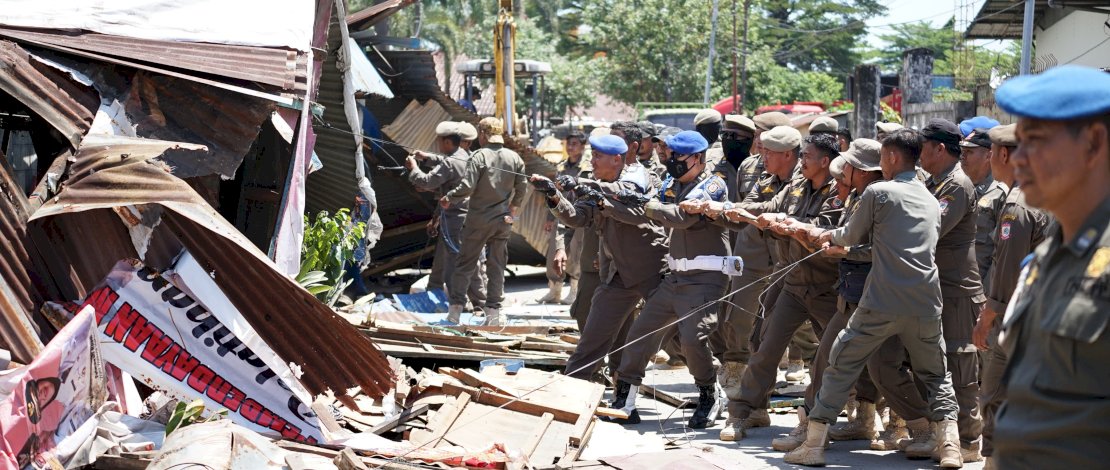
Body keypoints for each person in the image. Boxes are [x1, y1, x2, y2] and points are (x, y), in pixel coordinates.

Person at [787, 128, 962, 468]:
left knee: (840, 365)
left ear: (893, 158)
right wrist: (851, 246)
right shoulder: (930, 198)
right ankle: (950, 448)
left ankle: (812, 446)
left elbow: (850, 234)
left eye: (883, 156)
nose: (881, 163)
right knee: (937, 375)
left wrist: (827, 237)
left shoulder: (879, 192)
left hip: (881, 300)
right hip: (926, 302)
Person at [990, 65, 1110, 469]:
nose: (1017, 160)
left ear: (1094, 143)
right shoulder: (1049, 255)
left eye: (1035, 142)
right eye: (1017, 143)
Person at [692, 128, 842, 441]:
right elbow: (768, 206)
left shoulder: (839, 190)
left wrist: (791, 227)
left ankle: (867, 413)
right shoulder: (797, 184)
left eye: (807, 156)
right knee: (763, 346)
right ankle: (745, 412)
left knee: (844, 350)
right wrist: (728, 210)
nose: (802, 161)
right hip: (791, 281)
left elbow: (831, 231)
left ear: (825, 161)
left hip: (827, 284)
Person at [607, 130, 731, 429]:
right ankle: (625, 397)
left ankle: (709, 393)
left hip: (706, 278)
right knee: (641, 332)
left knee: (692, 339)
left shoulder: (713, 187)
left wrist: (648, 205)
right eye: (671, 155)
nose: (672, 161)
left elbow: (681, 218)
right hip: (675, 277)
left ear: (698, 159)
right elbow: (651, 210)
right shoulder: (671, 184)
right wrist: (621, 199)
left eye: (679, 156)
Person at [531, 134, 669, 384]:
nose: (591, 161)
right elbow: (577, 217)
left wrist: (588, 189)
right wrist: (554, 196)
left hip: (651, 271)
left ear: (617, 159)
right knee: (591, 341)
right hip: (617, 274)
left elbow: (634, 212)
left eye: (597, 156)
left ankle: (714, 378)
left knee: (681, 335)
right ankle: (572, 392)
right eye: (592, 155)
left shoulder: (637, 178)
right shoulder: (594, 184)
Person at [969, 123, 1052, 468]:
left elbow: (1008, 270)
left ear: (1003, 154)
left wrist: (987, 316)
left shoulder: (1017, 204)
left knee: (996, 395)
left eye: (991, 153)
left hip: (1015, 316)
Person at [919, 118, 985, 460]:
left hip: (958, 290)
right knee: (936, 363)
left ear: (939, 148)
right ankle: (944, 434)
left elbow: (932, 230)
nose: (918, 152)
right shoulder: (935, 182)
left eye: (923, 145)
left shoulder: (955, 186)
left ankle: (969, 441)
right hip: (938, 287)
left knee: (961, 366)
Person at [443, 117, 527, 325]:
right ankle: (493, 314)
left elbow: (467, 187)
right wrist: (513, 208)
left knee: (465, 264)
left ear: (482, 134)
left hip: (478, 221)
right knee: (497, 266)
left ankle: (455, 313)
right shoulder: (514, 157)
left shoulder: (479, 156)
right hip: (503, 221)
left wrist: (449, 197)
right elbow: (522, 187)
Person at [406, 121, 486, 308]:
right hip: (468, 218)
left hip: (455, 221)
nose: (439, 146)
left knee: (456, 265)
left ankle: (459, 303)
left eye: (440, 142)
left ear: (448, 143)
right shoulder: (467, 157)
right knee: (465, 261)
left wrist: (413, 168)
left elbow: (427, 181)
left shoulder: (451, 162)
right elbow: (444, 162)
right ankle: (478, 302)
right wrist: (426, 158)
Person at [959, 123, 1006, 294]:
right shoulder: (961, 188)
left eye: (969, 152)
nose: (963, 157)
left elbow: (1001, 254)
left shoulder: (999, 194)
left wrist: (986, 294)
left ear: (988, 155)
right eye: (962, 152)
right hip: (958, 287)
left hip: (981, 290)